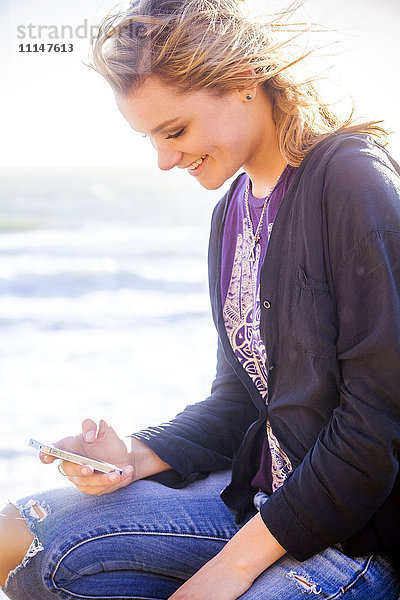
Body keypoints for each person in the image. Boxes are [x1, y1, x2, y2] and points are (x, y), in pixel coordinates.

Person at [1, 0, 400, 598]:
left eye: (175, 130)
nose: (164, 160)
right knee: (15, 538)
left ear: (241, 83)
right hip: (253, 507)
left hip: (351, 543)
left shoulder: (350, 182)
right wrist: (135, 455)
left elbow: (376, 426)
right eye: (151, 139)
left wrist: (230, 570)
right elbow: (241, 399)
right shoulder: (230, 214)